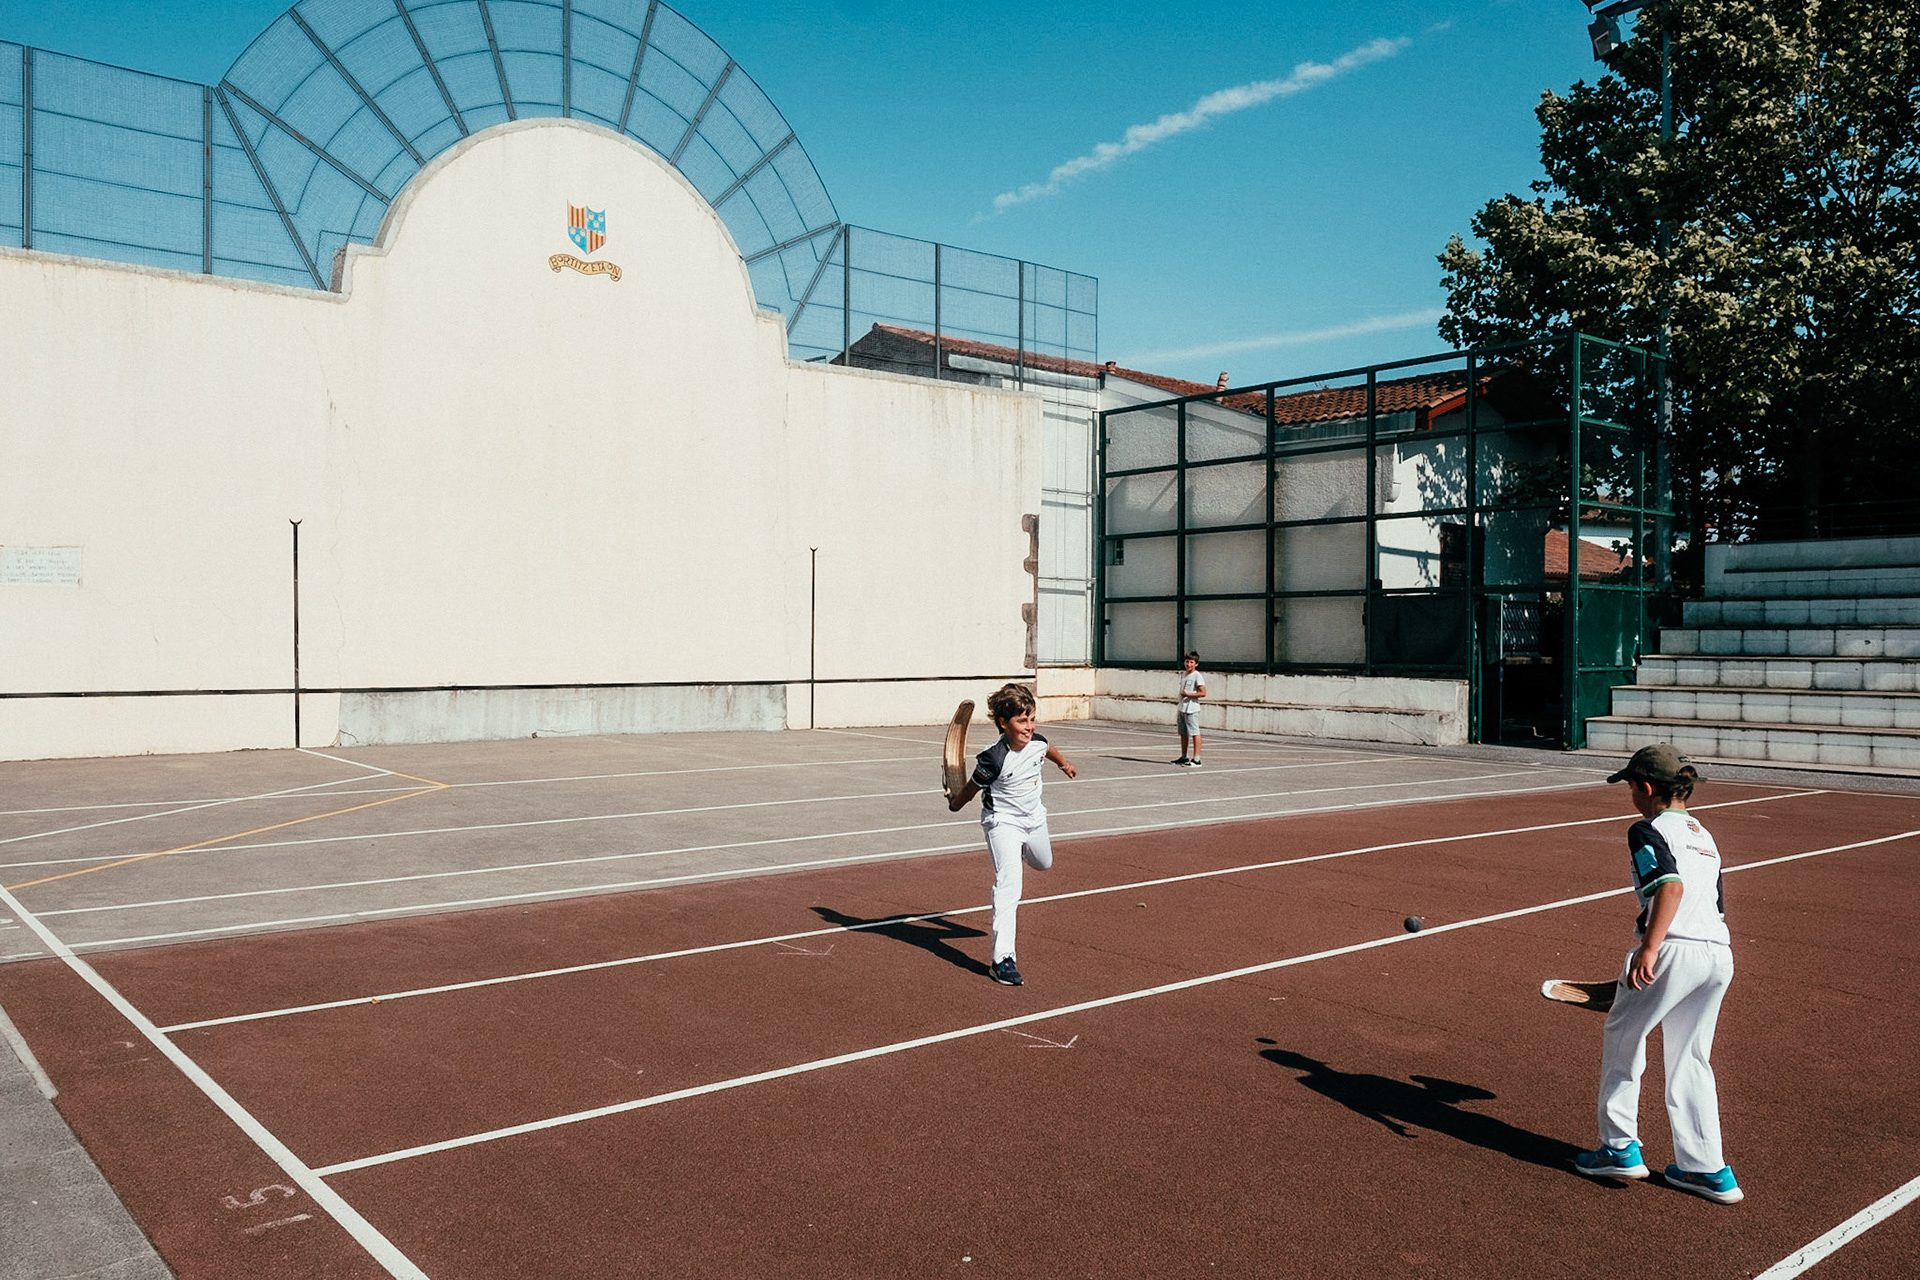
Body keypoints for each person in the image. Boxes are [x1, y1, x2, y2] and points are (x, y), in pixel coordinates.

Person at [1574, 744, 1742, 1204]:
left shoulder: (1647, 829)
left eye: (1630, 784)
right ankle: (1705, 1168)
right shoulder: (1704, 834)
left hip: (1673, 950)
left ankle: (1619, 1148)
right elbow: (1711, 900)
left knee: (1624, 1038)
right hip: (1717, 956)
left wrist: (1649, 949)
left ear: (1646, 788)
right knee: (1692, 1057)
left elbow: (1669, 885)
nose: (1630, 793)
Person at [946, 682, 1076, 986]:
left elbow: (1048, 748)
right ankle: (1002, 960)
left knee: (1044, 863)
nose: (1029, 727)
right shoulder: (993, 759)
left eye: (1031, 719)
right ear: (1003, 724)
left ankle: (1016, 853)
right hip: (1002, 822)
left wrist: (1064, 764)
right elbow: (970, 788)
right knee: (1009, 884)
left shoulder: (1038, 742)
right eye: (1021, 721)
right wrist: (955, 803)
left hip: (1034, 819)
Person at [1175, 651, 1206, 766]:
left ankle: (1197, 759)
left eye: (1191, 662)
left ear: (1196, 664)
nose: (1189, 664)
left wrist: (1189, 695)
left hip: (1192, 708)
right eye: (1187, 662)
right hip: (1182, 707)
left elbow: (1203, 693)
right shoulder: (1184, 674)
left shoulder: (1197, 675)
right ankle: (1184, 757)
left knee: (1195, 732)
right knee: (1183, 733)